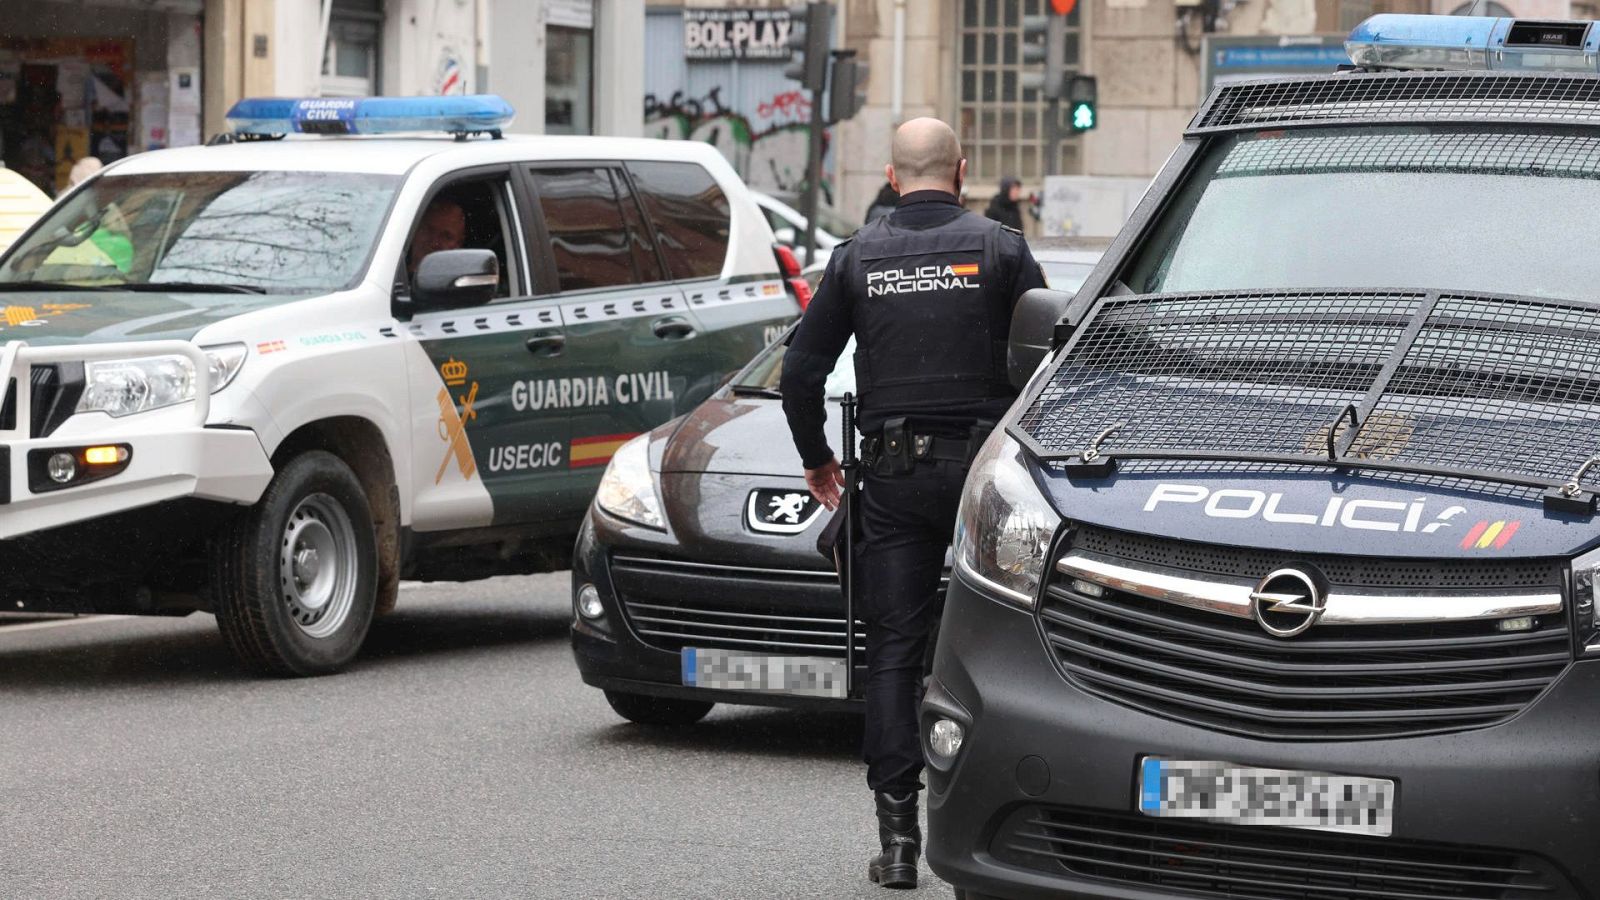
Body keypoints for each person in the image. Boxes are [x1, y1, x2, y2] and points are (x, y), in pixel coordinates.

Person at [779, 118, 1046, 890]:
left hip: (892, 482)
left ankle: (898, 843)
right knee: (1003, 643)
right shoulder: (998, 248)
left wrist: (816, 460)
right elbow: (1046, 356)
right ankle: (1007, 828)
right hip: (985, 486)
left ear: (894, 179)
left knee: (894, 652)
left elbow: (801, 373)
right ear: (961, 171)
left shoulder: (856, 257)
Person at [407, 196, 467, 280]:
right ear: (415, 231)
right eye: (429, 231)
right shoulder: (388, 271)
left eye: (446, 237)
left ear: (458, 244)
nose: (434, 242)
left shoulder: (460, 286)